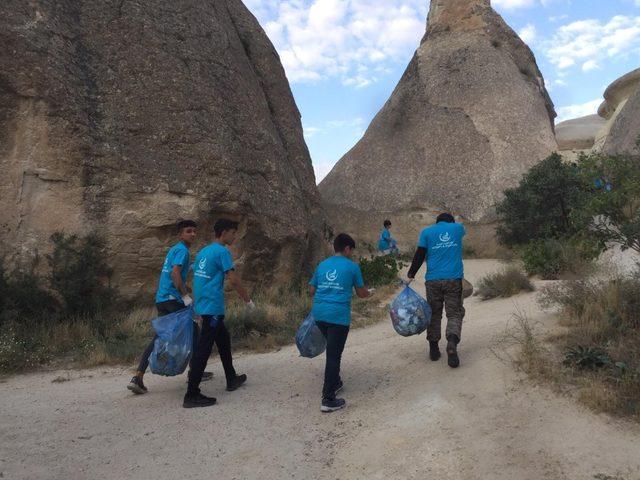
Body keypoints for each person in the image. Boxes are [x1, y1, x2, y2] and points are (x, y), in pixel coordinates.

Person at [127, 219, 212, 394]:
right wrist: (185, 296)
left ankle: (138, 377)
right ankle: (195, 372)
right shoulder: (182, 250)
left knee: (160, 336)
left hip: (162, 299)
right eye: (189, 231)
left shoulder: (174, 249)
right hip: (174, 299)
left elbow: (177, 274)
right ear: (180, 234)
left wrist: (185, 289)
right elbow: (175, 273)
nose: (193, 234)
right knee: (194, 331)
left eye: (195, 231)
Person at [184, 218, 254, 408]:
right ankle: (191, 394)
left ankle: (231, 378)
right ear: (223, 233)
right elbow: (233, 280)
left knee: (223, 340)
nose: (234, 236)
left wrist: (197, 305)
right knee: (203, 349)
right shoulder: (223, 251)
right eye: (233, 232)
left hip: (203, 305)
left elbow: (196, 278)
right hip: (212, 307)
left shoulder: (203, 252)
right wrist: (247, 300)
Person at [309, 233, 372, 413]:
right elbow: (361, 293)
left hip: (319, 315)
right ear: (346, 248)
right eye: (351, 250)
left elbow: (312, 290)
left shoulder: (322, 265)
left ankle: (335, 382)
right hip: (338, 317)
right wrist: (370, 293)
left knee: (331, 348)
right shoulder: (352, 267)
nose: (351, 253)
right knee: (334, 355)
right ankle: (328, 399)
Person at [406, 213, 466, 368]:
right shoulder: (458, 228)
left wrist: (411, 274)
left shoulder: (426, 232)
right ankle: (452, 342)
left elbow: (419, 255)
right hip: (453, 279)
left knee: (434, 314)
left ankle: (433, 349)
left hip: (432, 281)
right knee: (454, 313)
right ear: (451, 221)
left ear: (437, 222)